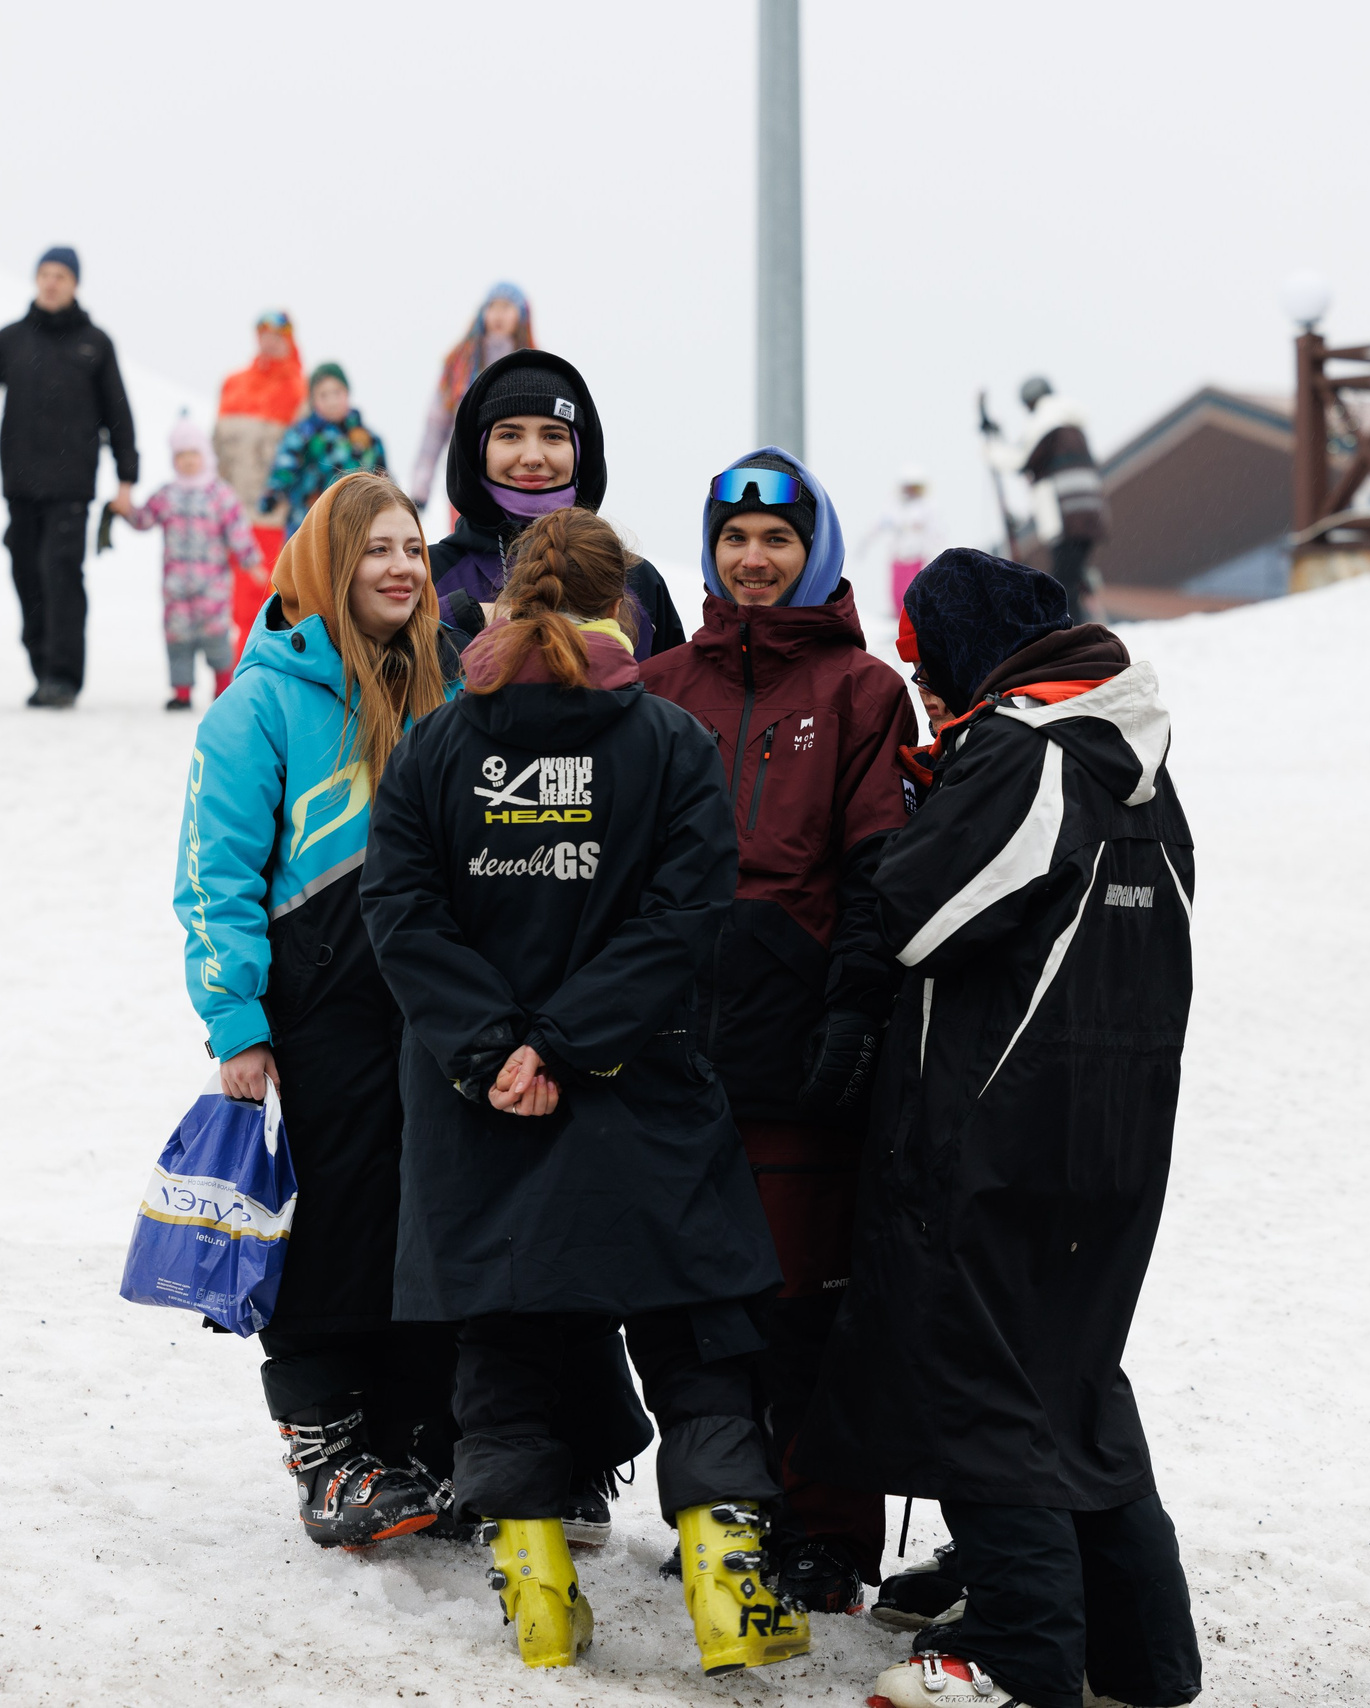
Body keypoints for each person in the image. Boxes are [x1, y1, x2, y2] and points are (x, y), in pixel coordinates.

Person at [361, 506, 810, 1675]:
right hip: (639, 1091)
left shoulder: (439, 746)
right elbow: (689, 917)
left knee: (506, 1337)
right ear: (622, 609)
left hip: (480, 1109)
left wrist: (496, 1049)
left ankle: (537, 1588)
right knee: (698, 1334)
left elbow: (399, 914)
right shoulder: (667, 742)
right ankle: (726, 1584)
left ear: (507, 606)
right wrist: (567, 1043)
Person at [799, 549, 1202, 1708]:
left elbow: (912, 908)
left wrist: (920, 799)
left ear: (974, 651)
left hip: (1000, 1133)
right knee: (1071, 1382)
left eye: (928, 665)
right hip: (1115, 1136)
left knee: (980, 1384)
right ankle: (1142, 1656)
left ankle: (1018, 1657)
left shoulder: (1026, 755)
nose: (924, 691)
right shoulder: (1140, 767)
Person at [640, 450, 917, 1614]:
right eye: (734, 540)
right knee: (690, 1304)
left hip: (799, 1045)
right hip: (670, 1045)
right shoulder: (658, 687)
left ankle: (826, 1533)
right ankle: (722, 1509)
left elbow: (877, 873)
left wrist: (851, 1011)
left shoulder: (861, 691)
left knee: (805, 1302)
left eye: (779, 541)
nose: (754, 561)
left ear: (818, 553)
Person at [176, 471, 457, 1549]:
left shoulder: (445, 684)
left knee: (426, 1213)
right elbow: (214, 874)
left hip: (434, 1007)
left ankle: (413, 1437)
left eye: (412, 549)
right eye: (375, 549)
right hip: (322, 1007)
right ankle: (327, 1447)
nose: (398, 567)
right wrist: (237, 1021)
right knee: (337, 1215)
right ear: (325, 567)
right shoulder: (260, 702)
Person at [0, 246, 139, 709]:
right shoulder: (9, 340)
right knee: (26, 573)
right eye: (44, 274)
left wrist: (126, 478)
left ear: (75, 284)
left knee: (62, 574)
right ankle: (42, 667)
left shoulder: (95, 343)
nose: (51, 282)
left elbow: (119, 414)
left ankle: (64, 677)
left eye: (61, 275)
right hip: (20, 483)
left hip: (72, 487)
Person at [428, 349, 684, 659]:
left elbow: (669, 695)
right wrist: (463, 614)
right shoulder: (427, 572)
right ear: (478, 452)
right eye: (510, 435)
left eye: (553, 436)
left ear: (580, 452)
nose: (533, 457)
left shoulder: (638, 581)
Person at [121, 416, 256, 711]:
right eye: (180, 455)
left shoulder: (219, 494)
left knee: (217, 639)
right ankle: (181, 693)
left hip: (213, 588)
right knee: (178, 640)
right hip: (177, 588)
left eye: (193, 454)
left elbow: (238, 531)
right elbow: (145, 518)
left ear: (205, 455)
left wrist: (252, 562)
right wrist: (127, 511)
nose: (187, 461)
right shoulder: (168, 494)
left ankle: (223, 689)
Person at [983, 378, 1109, 608]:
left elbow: (1019, 460)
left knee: (1061, 585)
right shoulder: (1071, 424)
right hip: (1088, 515)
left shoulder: (1045, 420)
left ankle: (1071, 630)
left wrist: (991, 446)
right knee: (1072, 577)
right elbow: (1033, 453)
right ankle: (1079, 620)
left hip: (1065, 516)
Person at [408, 282, 532, 508]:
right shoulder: (459, 366)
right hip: (465, 473)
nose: (498, 314)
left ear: (521, 317)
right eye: (492, 306)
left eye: (506, 307)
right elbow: (435, 427)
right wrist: (421, 485)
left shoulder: (532, 366)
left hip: (517, 477)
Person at [215, 309, 304, 581]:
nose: (270, 342)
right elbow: (215, 450)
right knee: (227, 597)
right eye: (264, 335)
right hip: (230, 512)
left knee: (267, 594)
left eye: (278, 336)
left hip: (273, 516)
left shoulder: (301, 389)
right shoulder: (233, 384)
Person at [261, 363, 383, 539]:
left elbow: (383, 476)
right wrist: (273, 492)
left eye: (337, 393)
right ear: (313, 400)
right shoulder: (303, 434)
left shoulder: (367, 439)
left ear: (347, 394)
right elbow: (285, 465)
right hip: (308, 522)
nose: (332, 401)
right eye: (323, 395)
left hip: (356, 525)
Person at [860, 466, 943, 611]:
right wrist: (865, 543)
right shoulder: (894, 507)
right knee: (897, 595)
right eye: (908, 487)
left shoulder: (927, 507)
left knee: (914, 594)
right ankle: (898, 622)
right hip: (898, 557)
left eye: (914, 487)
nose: (911, 490)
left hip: (917, 559)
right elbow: (878, 525)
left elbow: (936, 533)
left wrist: (938, 555)